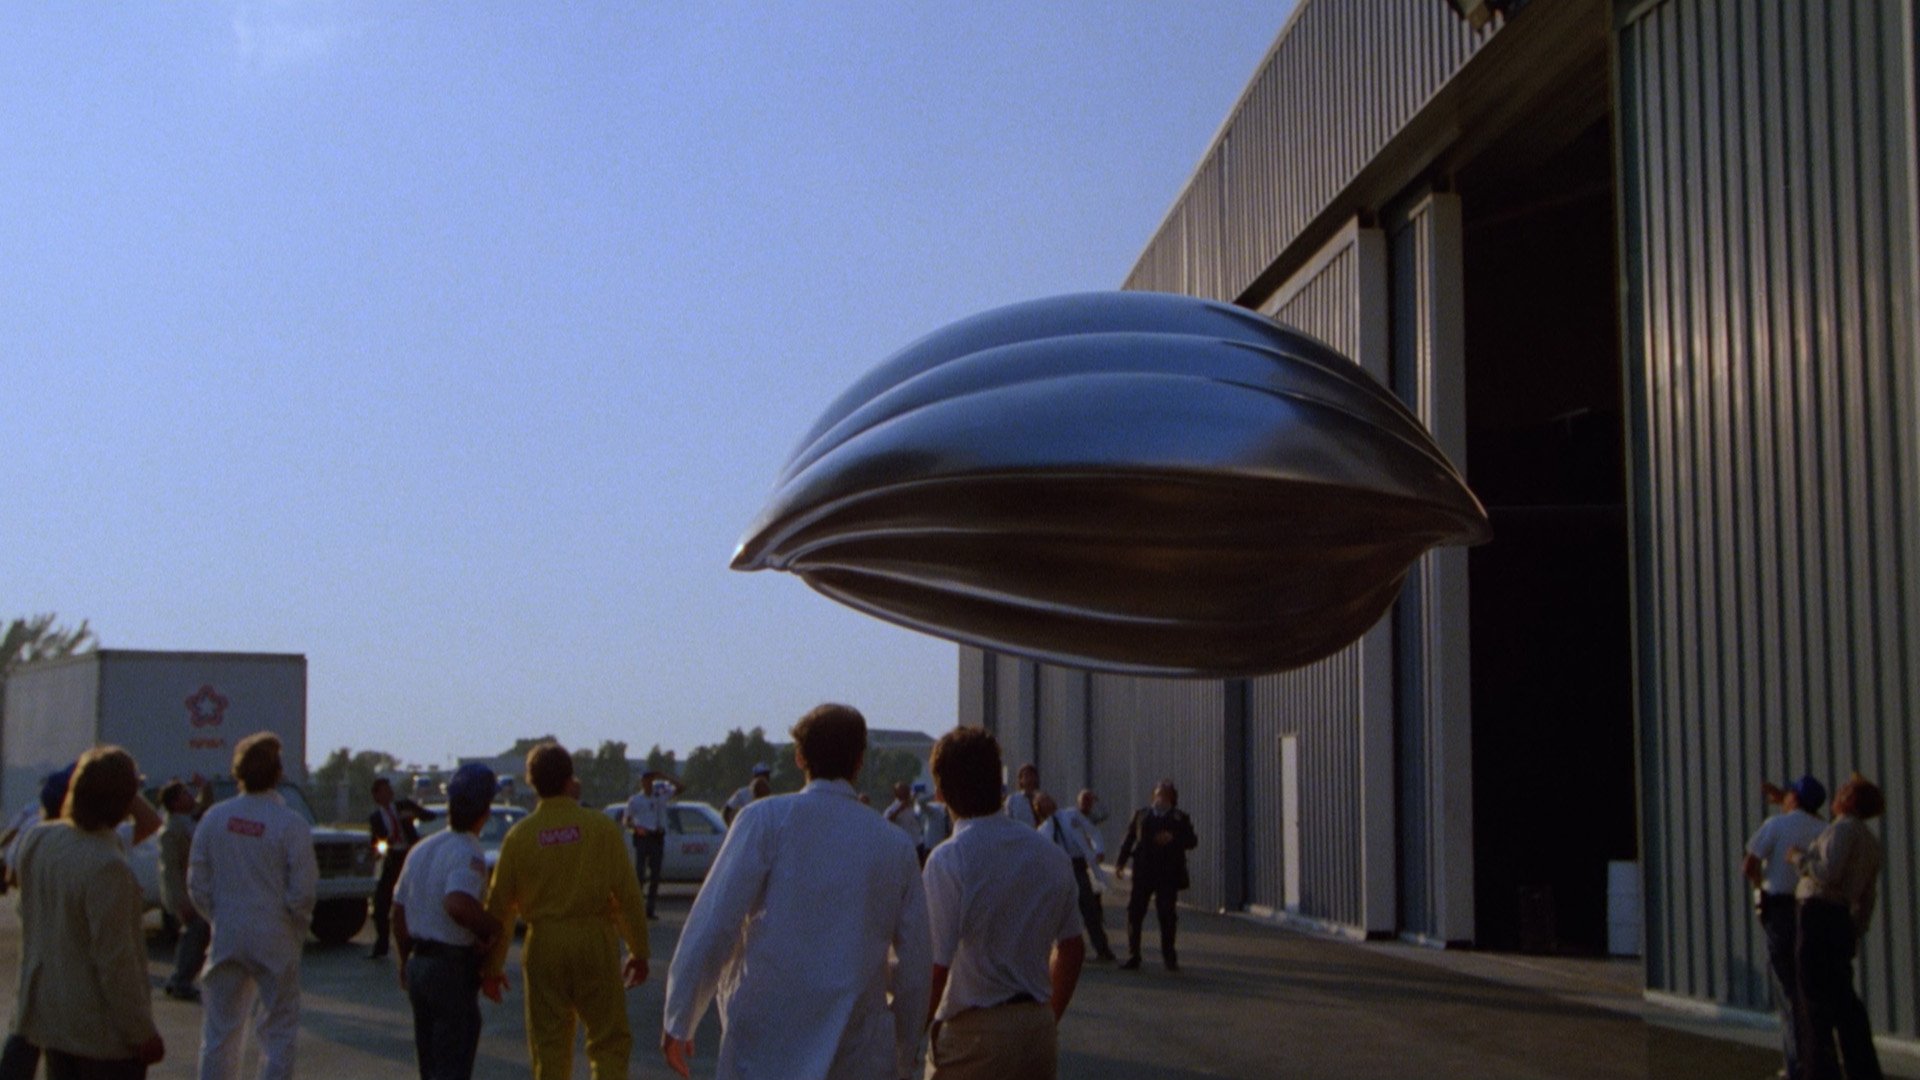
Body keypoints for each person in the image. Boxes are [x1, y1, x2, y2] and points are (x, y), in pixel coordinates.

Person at [661, 703, 931, 1080]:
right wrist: (905, 1051)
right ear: (859, 761)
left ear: (799, 757)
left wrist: (680, 1018)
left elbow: (714, 924)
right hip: (857, 1054)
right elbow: (914, 963)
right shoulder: (894, 845)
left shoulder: (764, 821)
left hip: (763, 1051)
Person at [923, 729, 1084, 1080]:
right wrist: (1047, 1016)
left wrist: (910, 1035)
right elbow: (1071, 948)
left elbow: (935, 967)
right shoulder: (1051, 855)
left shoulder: (949, 858)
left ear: (940, 793)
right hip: (1036, 1026)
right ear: (1000, 784)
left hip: (974, 1031)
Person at [484, 742, 650, 1080]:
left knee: (550, 1046)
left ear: (531, 783)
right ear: (569, 779)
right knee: (608, 1041)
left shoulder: (519, 837)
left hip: (544, 946)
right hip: (594, 941)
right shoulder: (600, 827)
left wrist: (492, 966)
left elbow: (500, 909)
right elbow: (627, 896)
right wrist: (639, 951)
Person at [9, 746, 166, 1078]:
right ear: (123, 802)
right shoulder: (108, 865)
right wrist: (142, 1032)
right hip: (101, 1036)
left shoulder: (39, 839)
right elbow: (115, 961)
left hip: (54, 1024)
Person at [191, 732, 319, 1080]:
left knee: (219, 1034)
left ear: (238, 773)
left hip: (227, 934)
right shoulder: (290, 824)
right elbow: (303, 892)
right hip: (275, 935)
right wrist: (293, 929)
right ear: (278, 774)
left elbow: (197, 883)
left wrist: (219, 917)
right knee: (278, 1032)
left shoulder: (214, 818)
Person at [394, 764, 506, 1080]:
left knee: (430, 1065)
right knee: (452, 1065)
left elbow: (398, 912)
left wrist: (404, 961)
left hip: (420, 964)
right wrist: (493, 928)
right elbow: (457, 903)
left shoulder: (421, 849)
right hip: (450, 970)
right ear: (485, 811)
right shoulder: (467, 851)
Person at [1790, 773, 1886, 1080]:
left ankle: (1819, 1071)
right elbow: (1868, 895)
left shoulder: (1842, 829)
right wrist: (1855, 929)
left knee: (1813, 999)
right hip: (1841, 918)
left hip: (1818, 913)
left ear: (1850, 800)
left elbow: (1827, 871)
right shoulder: (1871, 842)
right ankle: (1863, 1069)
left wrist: (1800, 859)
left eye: (1844, 790)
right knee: (1844, 1000)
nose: (1838, 793)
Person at [1743, 773, 1828, 1078]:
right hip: (1813, 910)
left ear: (1794, 797)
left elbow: (1749, 865)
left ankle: (1796, 1066)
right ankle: (1816, 1061)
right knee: (1811, 988)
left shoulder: (1775, 825)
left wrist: (1758, 890)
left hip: (1779, 909)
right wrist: (1788, 801)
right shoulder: (1824, 829)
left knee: (1788, 992)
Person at [1114, 779, 1198, 972]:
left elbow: (1192, 841)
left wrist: (1173, 838)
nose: (1161, 798)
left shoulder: (1179, 818)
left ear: (1172, 798)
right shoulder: (1141, 815)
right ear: (1153, 796)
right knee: (1135, 913)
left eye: (1166, 795)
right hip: (1144, 872)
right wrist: (1120, 862)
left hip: (1168, 874)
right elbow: (1130, 839)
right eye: (1159, 794)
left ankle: (1169, 957)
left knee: (1167, 915)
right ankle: (1133, 955)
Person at [1035, 791, 1116, 962]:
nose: (1048, 803)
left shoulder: (1071, 814)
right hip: (1059, 871)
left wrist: (1099, 849)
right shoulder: (1043, 831)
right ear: (1039, 808)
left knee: (1089, 908)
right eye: (1043, 802)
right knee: (1058, 912)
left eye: (1048, 798)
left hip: (1078, 866)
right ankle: (1055, 950)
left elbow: (1092, 830)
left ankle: (1102, 949)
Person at [160, 777, 215, 1002]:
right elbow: (170, 870)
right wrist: (181, 901)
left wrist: (205, 786)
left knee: (198, 935)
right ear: (175, 803)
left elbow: (204, 804)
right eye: (184, 794)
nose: (190, 796)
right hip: (184, 895)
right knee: (195, 934)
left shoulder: (190, 820)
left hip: (196, 891)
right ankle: (180, 981)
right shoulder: (171, 830)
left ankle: (180, 980)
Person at [370, 776, 423, 959]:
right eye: (384, 791)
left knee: (413, 899)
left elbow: (426, 815)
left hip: (409, 856)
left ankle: (417, 942)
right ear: (376, 796)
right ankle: (382, 944)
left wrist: (413, 816)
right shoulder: (376, 818)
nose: (388, 793)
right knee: (381, 903)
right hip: (392, 858)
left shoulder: (403, 807)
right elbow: (375, 843)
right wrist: (381, 847)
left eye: (389, 789)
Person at [625, 769, 685, 920]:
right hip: (643, 837)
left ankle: (650, 909)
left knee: (655, 875)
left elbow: (681, 787)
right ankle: (637, 909)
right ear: (641, 782)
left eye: (651, 780)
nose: (648, 783)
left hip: (657, 837)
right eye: (645, 780)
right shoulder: (635, 800)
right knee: (640, 874)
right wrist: (636, 828)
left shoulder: (660, 795)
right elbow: (626, 820)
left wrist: (665, 776)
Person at [917, 783, 951, 867]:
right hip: (932, 845)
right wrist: (935, 794)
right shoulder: (934, 808)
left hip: (946, 846)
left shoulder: (952, 811)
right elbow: (920, 802)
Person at [884, 780, 921, 853]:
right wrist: (899, 809)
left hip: (917, 843)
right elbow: (886, 821)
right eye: (902, 790)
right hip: (903, 846)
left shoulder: (913, 806)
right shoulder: (892, 808)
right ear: (896, 793)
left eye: (905, 789)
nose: (905, 791)